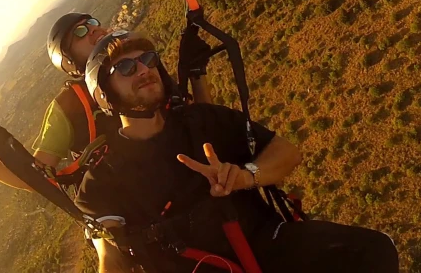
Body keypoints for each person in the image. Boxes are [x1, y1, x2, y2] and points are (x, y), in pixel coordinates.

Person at [74, 31, 400, 273]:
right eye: (127, 68)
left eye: (147, 60)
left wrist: (246, 176)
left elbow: (286, 152)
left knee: (373, 251)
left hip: (268, 243)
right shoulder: (103, 180)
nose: (143, 70)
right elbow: (110, 258)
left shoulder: (201, 120)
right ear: (104, 94)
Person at [0, 13, 214, 192]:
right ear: (69, 63)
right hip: (140, 206)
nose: (93, 30)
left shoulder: (141, 66)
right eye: (80, 33)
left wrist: (198, 74)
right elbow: (36, 178)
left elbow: (199, 122)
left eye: (92, 23)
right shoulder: (69, 108)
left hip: (201, 176)